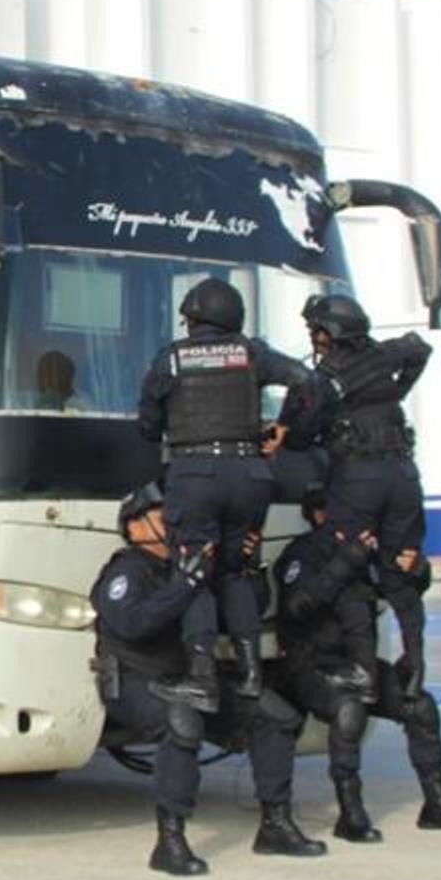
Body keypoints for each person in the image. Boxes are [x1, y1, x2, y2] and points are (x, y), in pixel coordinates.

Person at [93, 482, 324, 875]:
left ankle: (275, 824)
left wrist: (246, 570)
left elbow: (246, 608)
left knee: (274, 715)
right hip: (136, 681)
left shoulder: (189, 568)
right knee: (180, 721)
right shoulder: (127, 569)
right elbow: (133, 623)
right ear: (135, 528)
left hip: (191, 679)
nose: (175, 524)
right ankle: (170, 840)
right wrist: (186, 585)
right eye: (164, 516)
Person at [136, 277, 314, 708]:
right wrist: (285, 430)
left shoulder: (172, 359)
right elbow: (307, 381)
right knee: (236, 571)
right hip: (251, 474)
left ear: (193, 319)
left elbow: (147, 424)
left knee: (193, 572)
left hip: (196, 474)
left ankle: (202, 677)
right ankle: (251, 671)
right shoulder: (252, 353)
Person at [271, 484, 441, 841]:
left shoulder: (369, 552)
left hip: (359, 663)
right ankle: (350, 812)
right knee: (349, 711)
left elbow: (400, 587)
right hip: (311, 665)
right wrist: (344, 563)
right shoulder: (302, 554)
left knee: (419, 706)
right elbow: (296, 608)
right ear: (321, 515)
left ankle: (437, 802)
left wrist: (415, 570)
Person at [300, 293, 433, 705]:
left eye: (316, 330)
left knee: (348, 564)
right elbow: (420, 347)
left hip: (359, 479)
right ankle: (414, 665)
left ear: (331, 332)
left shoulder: (329, 376)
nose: (313, 337)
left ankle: (362, 669)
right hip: (404, 476)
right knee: (401, 571)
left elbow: (302, 432)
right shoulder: (383, 355)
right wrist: (397, 391)